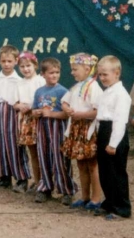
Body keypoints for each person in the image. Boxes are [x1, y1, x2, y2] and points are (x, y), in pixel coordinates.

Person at [61, 53, 103, 211]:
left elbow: (97, 111)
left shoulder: (94, 87)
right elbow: (64, 101)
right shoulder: (76, 86)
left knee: (92, 164)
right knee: (80, 164)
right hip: (75, 129)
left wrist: (81, 115)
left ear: (87, 69)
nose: (72, 72)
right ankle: (84, 197)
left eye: (74, 69)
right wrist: (67, 108)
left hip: (87, 130)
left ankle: (96, 198)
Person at [31, 58, 75, 205]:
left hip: (58, 128)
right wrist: (36, 112)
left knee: (60, 158)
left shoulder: (63, 91)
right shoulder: (39, 91)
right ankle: (45, 188)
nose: (54, 75)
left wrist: (52, 114)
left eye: (57, 72)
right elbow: (34, 109)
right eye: (51, 73)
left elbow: (66, 114)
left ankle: (66, 190)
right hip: (42, 128)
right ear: (43, 74)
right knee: (43, 157)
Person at [94, 55, 132, 220]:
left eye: (105, 74)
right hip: (103, 131)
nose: (102, 78)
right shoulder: (106, 92)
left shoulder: (121, 95)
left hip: (115, 134)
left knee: (116, 172)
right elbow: (100, 117)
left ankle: (122, 208)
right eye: (100, 75)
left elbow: (120, 121)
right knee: (105, 171)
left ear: (116, 73)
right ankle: (109, 202)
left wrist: (113, 144)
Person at [0, 45, 31, 190]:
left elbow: (21, 100)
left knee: (14, 145)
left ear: (15, 61)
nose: (6, 64)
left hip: (13, 113)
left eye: (9, 61)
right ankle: (4, 176)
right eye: (3, 61)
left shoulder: (19, 80)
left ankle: (21, 178)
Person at [14, 51, 45, 192]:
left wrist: (32, 107)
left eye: (28, 66)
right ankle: (37, 181)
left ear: (35, 65)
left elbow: (45, 99)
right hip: (26, 120)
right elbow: (15, 103)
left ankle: (46, 182)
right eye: (22, 67)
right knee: (33, 153)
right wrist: (20, 106)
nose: (26, 69)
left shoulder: (41, 80)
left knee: (43, 151)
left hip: (40, 118)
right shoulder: (19, 83)